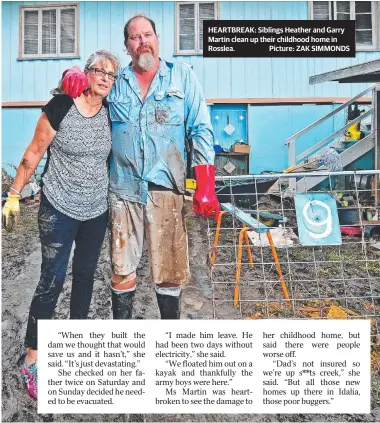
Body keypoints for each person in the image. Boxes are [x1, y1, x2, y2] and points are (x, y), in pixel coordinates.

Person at [62, 14, 220, 322]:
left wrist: (206, 184)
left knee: (170, 273)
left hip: (167, 191)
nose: (142, 41)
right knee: (122, 270)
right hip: (123, 191)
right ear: (127, 46)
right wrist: (72, 80)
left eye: (147, 34)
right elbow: (87, 104)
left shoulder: (182, 77)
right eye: (135, 37)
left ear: (157, 39)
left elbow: (200, 129)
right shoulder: (115, 83)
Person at [2, 50, 120, 399]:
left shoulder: (112, 113)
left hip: (95, 211)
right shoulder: (60, 106)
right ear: (85, 73)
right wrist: (13, 193)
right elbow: (34, 152)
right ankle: (33, 359)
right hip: (58, 209)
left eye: (111, 74)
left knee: (85, 277)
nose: (104, 78)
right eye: (98, 70)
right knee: (51, 280)